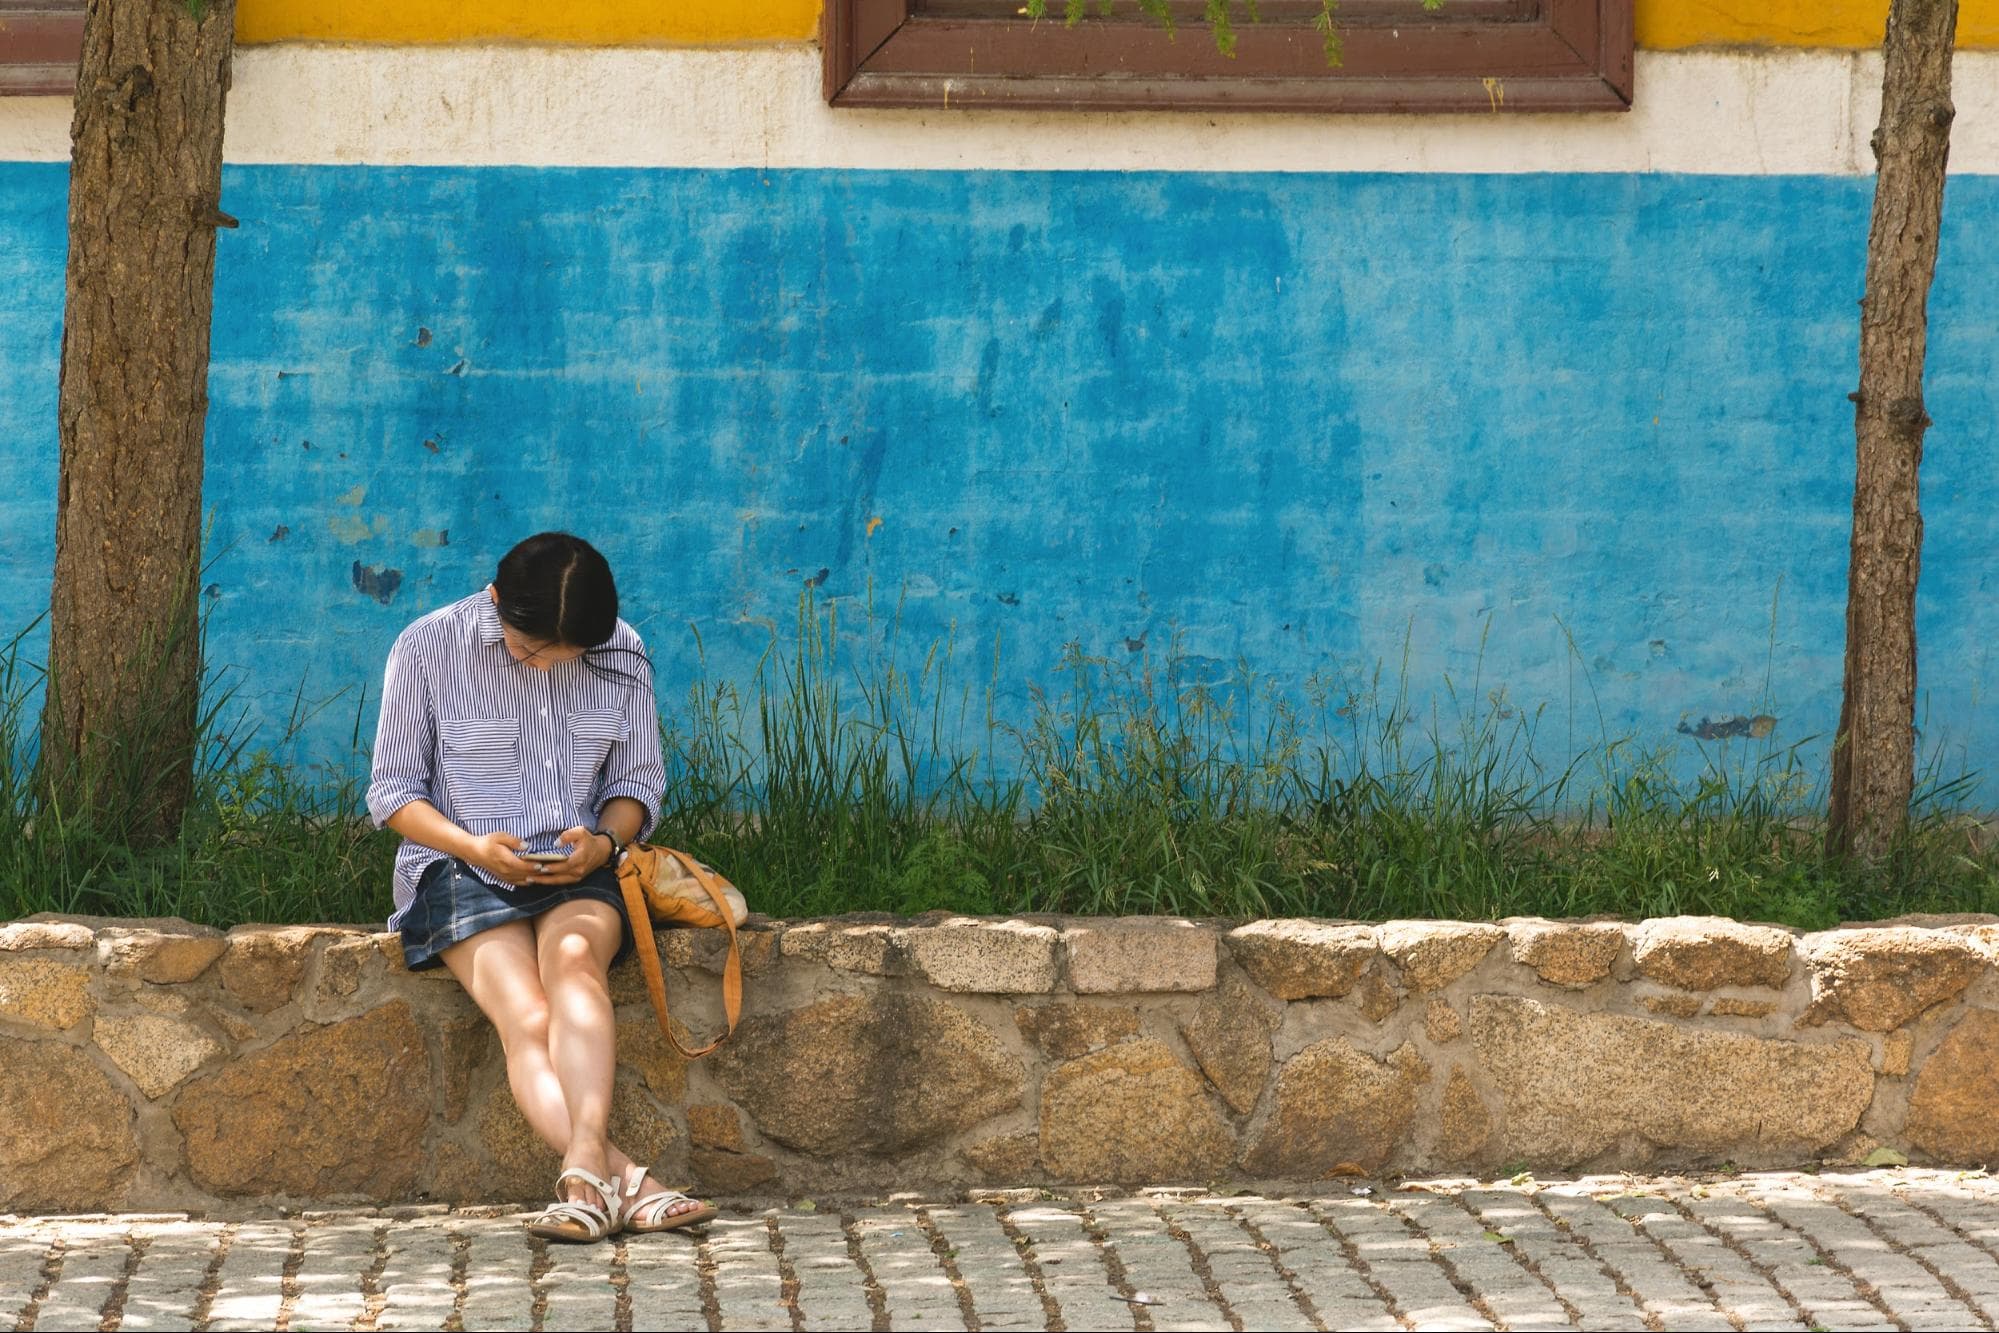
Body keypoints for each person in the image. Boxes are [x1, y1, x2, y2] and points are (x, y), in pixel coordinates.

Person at [366, 532, 715, 1243]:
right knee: (524, 1014)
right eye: (531, 649)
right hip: (460, 867)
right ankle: (630, 1182)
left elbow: (636, 784)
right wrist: (469, 844)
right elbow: (393, 792)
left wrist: (605, 841)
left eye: (568, 654)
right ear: (494, 600)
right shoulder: (427, 646)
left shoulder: (619, 648)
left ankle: (583, 1171)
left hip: (579, 867)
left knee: (576, 963)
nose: (549, 662)